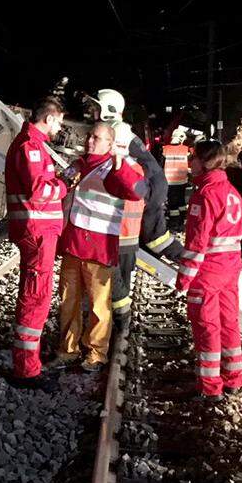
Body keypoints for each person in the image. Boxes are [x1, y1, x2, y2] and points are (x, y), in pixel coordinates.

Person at [83, 89, 182, 327]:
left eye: (96, 107)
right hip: (152, 188)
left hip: (146, 193)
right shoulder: (121, 128)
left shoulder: (116, 132)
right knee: (157, 240)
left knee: (153, 240)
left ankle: (192, 262)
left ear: (107, 110)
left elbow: (112, 167)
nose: (92, 112)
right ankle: (190, 260)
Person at [55, 121, 147, 372]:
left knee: (98, 305)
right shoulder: (82, 165)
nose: (89, 141)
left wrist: (120, 164)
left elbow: (136, 191)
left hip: (98, 247)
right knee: (68, 302)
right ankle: (68, 349)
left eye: (96, 138)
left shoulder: (113, 167)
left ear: (110, 143)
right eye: (89, 137)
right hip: (74, 244)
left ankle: (96, 354)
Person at [5, 97, 71, 389]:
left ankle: (29, 363)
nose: (59, 127)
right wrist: (64, 185)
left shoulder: (33, 144)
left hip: (38, 231)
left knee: (37, 296)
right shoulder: (30, 147)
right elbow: (38, 190)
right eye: (58, 121)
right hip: (37, 232)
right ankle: (26, 370)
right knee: (35, 298)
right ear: (49, 118)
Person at [175, 140, 242, 402]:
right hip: (230, 267)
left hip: (209, 272)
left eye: (193, 158)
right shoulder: (230, 191)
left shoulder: (204, 194)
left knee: (207, 327)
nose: (189, 163)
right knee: (229, 323)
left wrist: (184, 278)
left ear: (205, 162)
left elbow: (196, 242)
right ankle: (234, 378)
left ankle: (210, 387)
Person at [162, 127, 191, 223]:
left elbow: (161, 164)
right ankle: (183, 218)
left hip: (169, 181)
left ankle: (174, 220)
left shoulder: (165, 149)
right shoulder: (186, 150)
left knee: (172, 202)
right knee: (181, 200)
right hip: (182, 180)